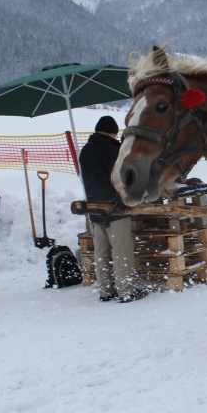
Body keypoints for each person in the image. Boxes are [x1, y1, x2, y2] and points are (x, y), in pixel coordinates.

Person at [79, 116, 145, 303]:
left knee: (101, 251)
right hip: (115, 208)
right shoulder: (112, 150)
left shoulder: (86, 150)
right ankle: (126, 291)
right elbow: (123, 178)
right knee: (121, 250)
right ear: (112, 132)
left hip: (94, 208)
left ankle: (105, 290)